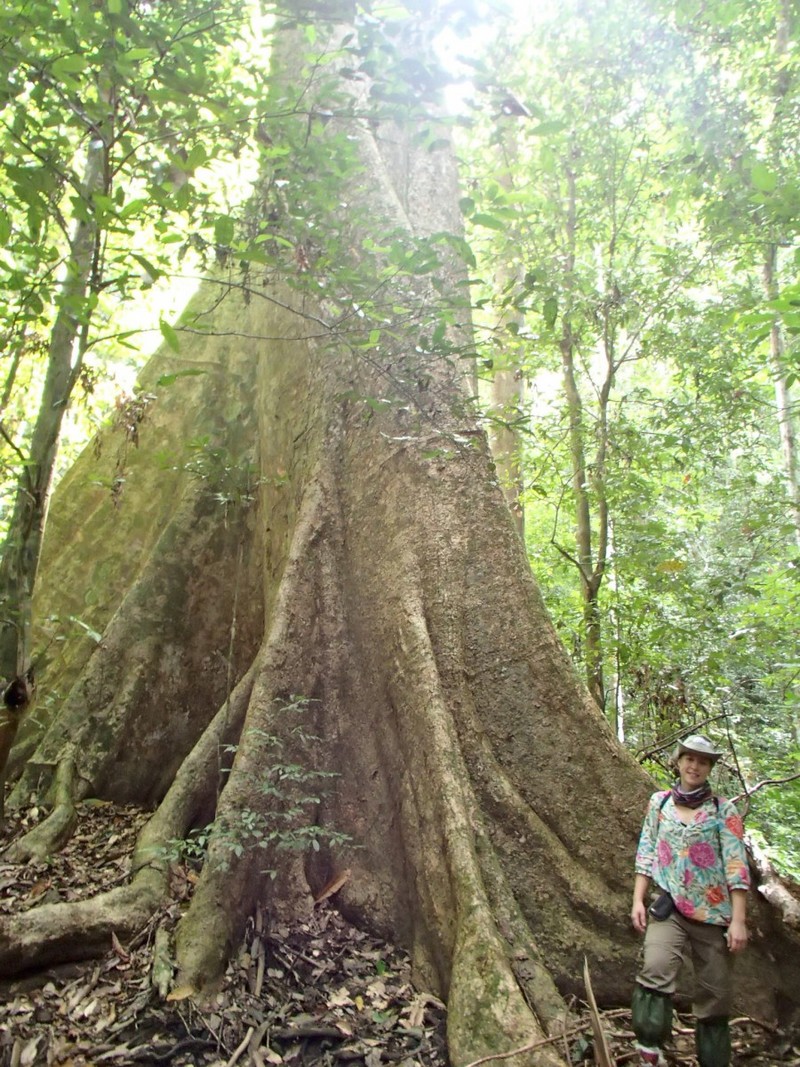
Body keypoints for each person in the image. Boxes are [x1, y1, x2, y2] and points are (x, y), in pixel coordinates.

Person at [630, 734, 750, 1067]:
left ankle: (712, 1060)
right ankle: (649, 1051)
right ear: (679, 761)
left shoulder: (722, 810)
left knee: (715, 996)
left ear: (709, 767)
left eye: (702, 761)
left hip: (713, 916)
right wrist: (638, 900)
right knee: (655, 969)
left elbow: (736, 866)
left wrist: (738, 921)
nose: (694, 766)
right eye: (689, 759)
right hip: (669, 908)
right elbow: (646, 851)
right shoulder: (660, 803)